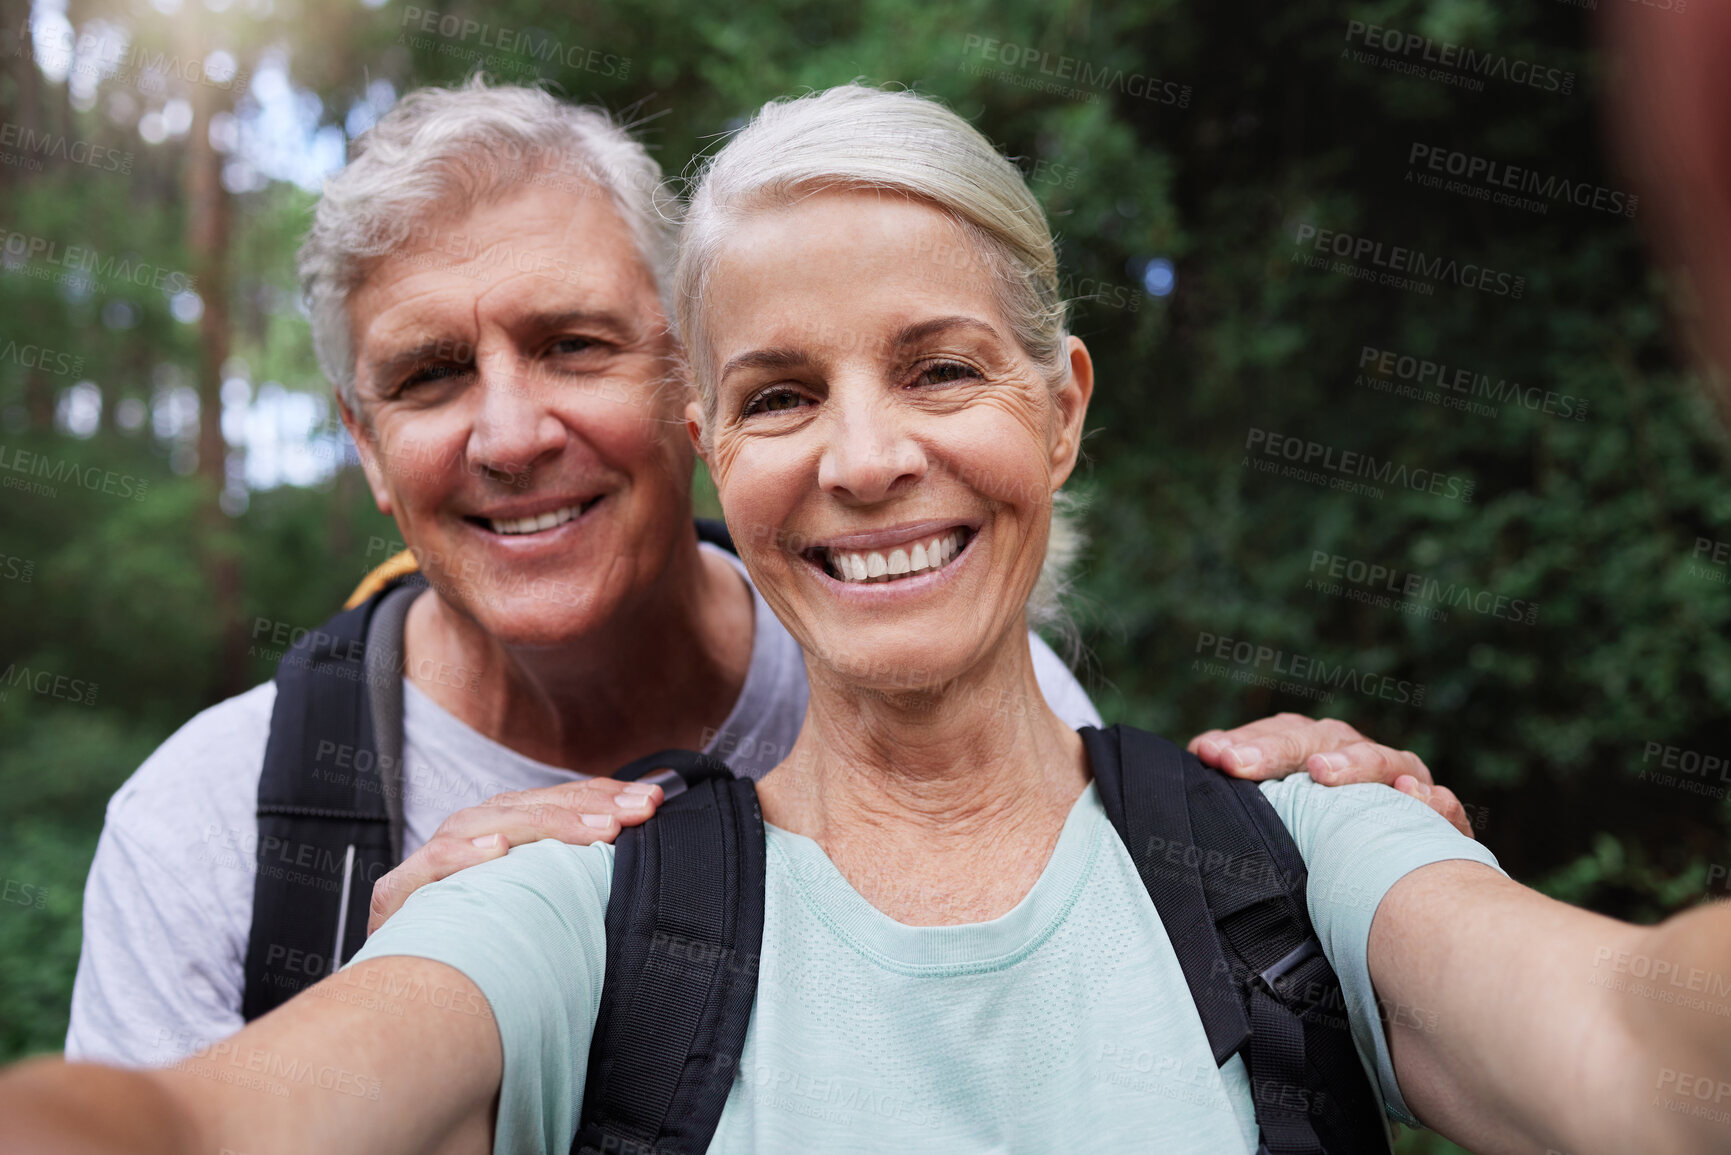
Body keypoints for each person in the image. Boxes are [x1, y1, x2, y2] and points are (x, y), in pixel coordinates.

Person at [7, 84, 1723, 1155]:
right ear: (721, 447)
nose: (869, 460)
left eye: (939, 368)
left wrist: (1309, 827)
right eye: (784, 394)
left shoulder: (1264, 853)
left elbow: (1649, 1054)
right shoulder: (523, 894)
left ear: (1062, 407)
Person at [63, 78, 1104, 1068]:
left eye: (571, 345)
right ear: (368, 446)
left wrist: (1259, 825)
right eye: (431, 376)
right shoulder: (204, 832)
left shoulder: (948, 677)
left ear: (688, 377)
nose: (510, 439)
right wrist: (385, 1039)